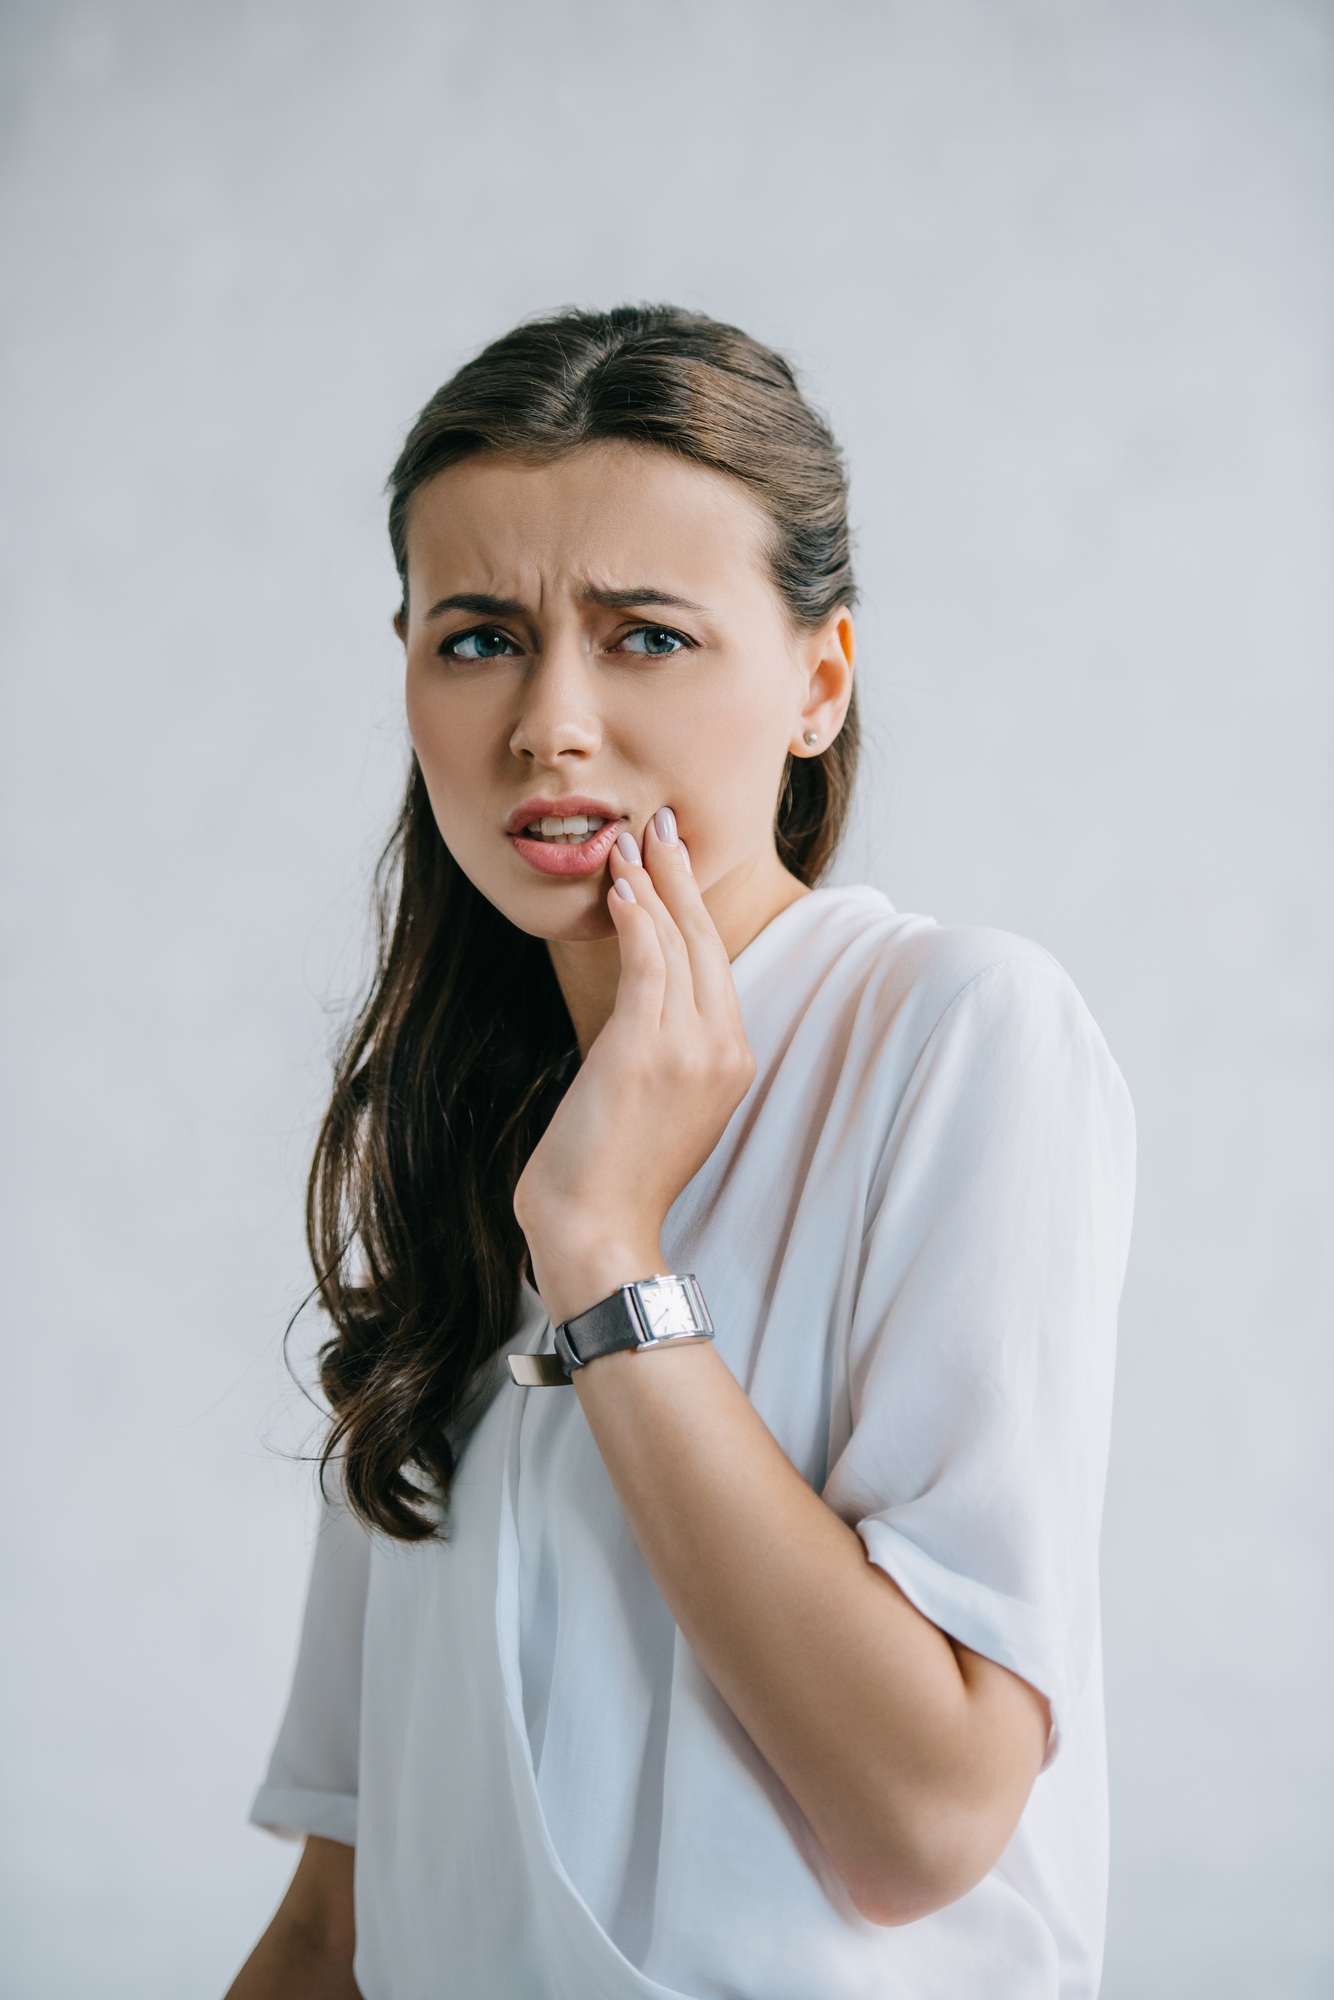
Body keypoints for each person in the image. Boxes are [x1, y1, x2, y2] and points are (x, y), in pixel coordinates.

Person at [224, 305, 1135, 2000]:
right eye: (479, 637)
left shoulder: (953, 1035)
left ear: (817, 680)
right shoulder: (450, 1155)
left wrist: (606, 1250)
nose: (549, 725)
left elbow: (926, 1818)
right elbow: (335, 1926)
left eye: (644, 636)